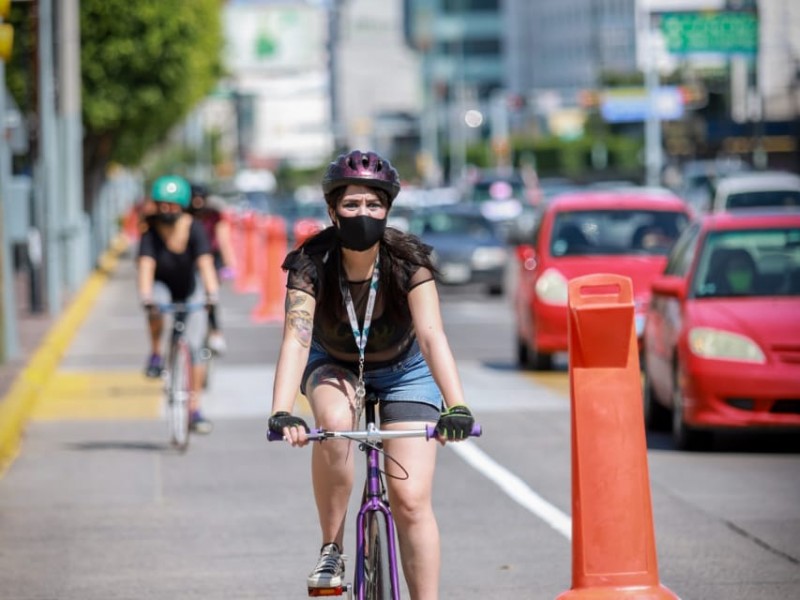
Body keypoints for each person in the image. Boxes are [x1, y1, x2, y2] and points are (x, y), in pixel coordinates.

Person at [267, 150, 476, 599]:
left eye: (374, 204)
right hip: (334, 364)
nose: (364, 213)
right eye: (352, 204)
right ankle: (332, 548)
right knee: (337, 425)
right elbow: (297, 339)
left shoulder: (408, 262)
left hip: (405, 372)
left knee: (412, 501)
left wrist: (456, 404)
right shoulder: (310, 263)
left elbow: (432, 335)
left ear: (388, 209)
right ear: (332, 210)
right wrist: (282, 411)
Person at [137, 175, 220, 434]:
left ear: (182, 206)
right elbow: (145, 266)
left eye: (172, 205)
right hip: (163, 285)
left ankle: (194, 409)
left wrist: (211, 294)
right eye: (162, 204)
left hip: (189, 288)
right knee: (157, 304)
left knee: (195, 348)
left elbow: (205, 263)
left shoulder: (194, 228)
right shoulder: (149, 231)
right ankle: (155, 353)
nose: (166, 210)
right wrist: (145, 296)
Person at [187, 183, 237, 354]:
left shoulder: (214, 216)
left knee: (210, 296)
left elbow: (224, 241)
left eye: (201, 198)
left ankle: (216, 333)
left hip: (212, 259)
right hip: (191, 260)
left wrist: (229, 264)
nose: (198, 202)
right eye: (195, 198)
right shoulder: (185, 216)